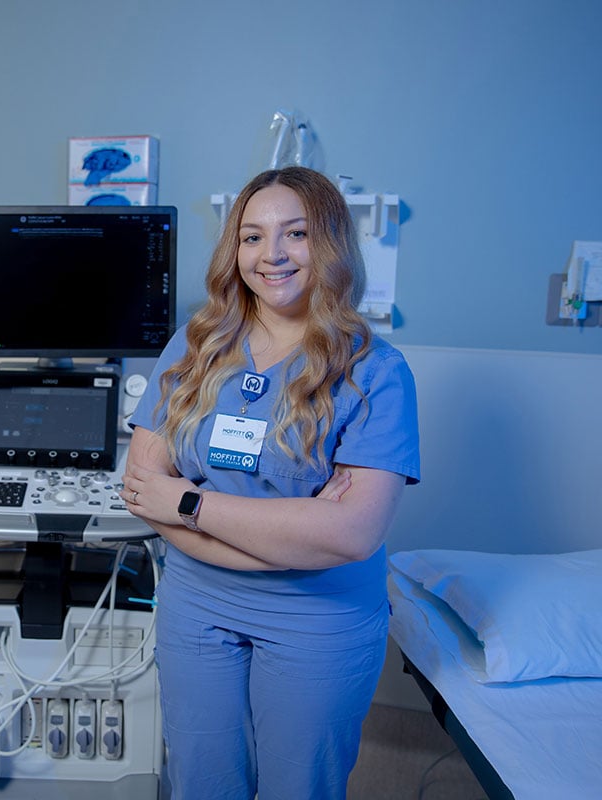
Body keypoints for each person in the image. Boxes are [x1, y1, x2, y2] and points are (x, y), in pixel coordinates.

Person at [121, 166, 420, 799]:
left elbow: (351, 533)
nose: (271, 255)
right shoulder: (194, 346)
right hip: (196, 608)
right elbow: (143, 488)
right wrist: (288, 534)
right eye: (252, 237)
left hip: (319, 617)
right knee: (202, 784)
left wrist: (190, 502)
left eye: (296, 234)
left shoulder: (376, 371)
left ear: (331, 244)